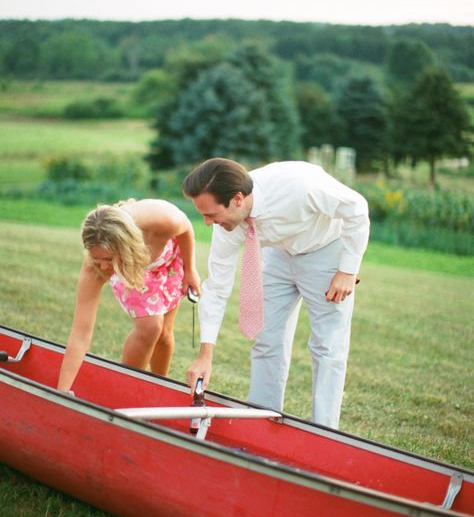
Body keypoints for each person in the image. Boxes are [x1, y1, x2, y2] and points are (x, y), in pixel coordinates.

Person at [182, 158, 369, 429]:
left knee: (327, 346)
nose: (208, 223)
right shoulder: (229, 226)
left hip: (326, 250)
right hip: (277, 253)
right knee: (267, 339)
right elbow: (217, 288)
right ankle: (261, 420)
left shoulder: (301, 186)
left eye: (211, 215)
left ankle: (325, 431)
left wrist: (348, 270)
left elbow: (357, 208)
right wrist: (205, 355)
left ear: (237, 199)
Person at [57, 198, 201, 392]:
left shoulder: (162, 220)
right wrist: (62, 390)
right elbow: (80, 334)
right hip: (130, 268)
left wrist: (190, 269)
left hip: (164, 259)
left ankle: (159, 386)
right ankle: (127, 388)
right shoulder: (96, 268)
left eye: (108, 259)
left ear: (126, 247)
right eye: (96, 258)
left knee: (165, 333)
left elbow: (185, 228)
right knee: (151, 327)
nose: (104, 267)